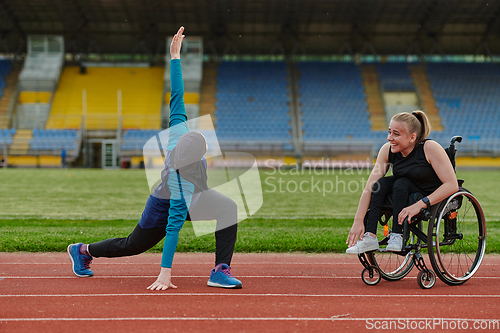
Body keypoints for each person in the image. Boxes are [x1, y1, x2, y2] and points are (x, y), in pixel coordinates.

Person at [67, 26, 242, 290]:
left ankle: (220, 270)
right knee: (132, 245)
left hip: (194, 197)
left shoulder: (178, 132)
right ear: (196, 157)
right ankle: (83, 250)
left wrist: (175, 58)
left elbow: (177, 94)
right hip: (162, 208)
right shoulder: (179, 181)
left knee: (228, 208)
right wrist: (165, 273)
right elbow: (173, 229)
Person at [346, 111, 458, 253]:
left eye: (396, 134)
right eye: (389, 132)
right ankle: (370, 237)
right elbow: (369, 188)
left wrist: (419, 205)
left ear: (412, 137)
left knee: (401, 183)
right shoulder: (387, 150)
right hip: (404, 190)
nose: (389, 138)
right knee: (379, 185)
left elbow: (452, 185)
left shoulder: (430, 148)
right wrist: (358, 221)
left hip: (430, 195)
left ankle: (397, 235)